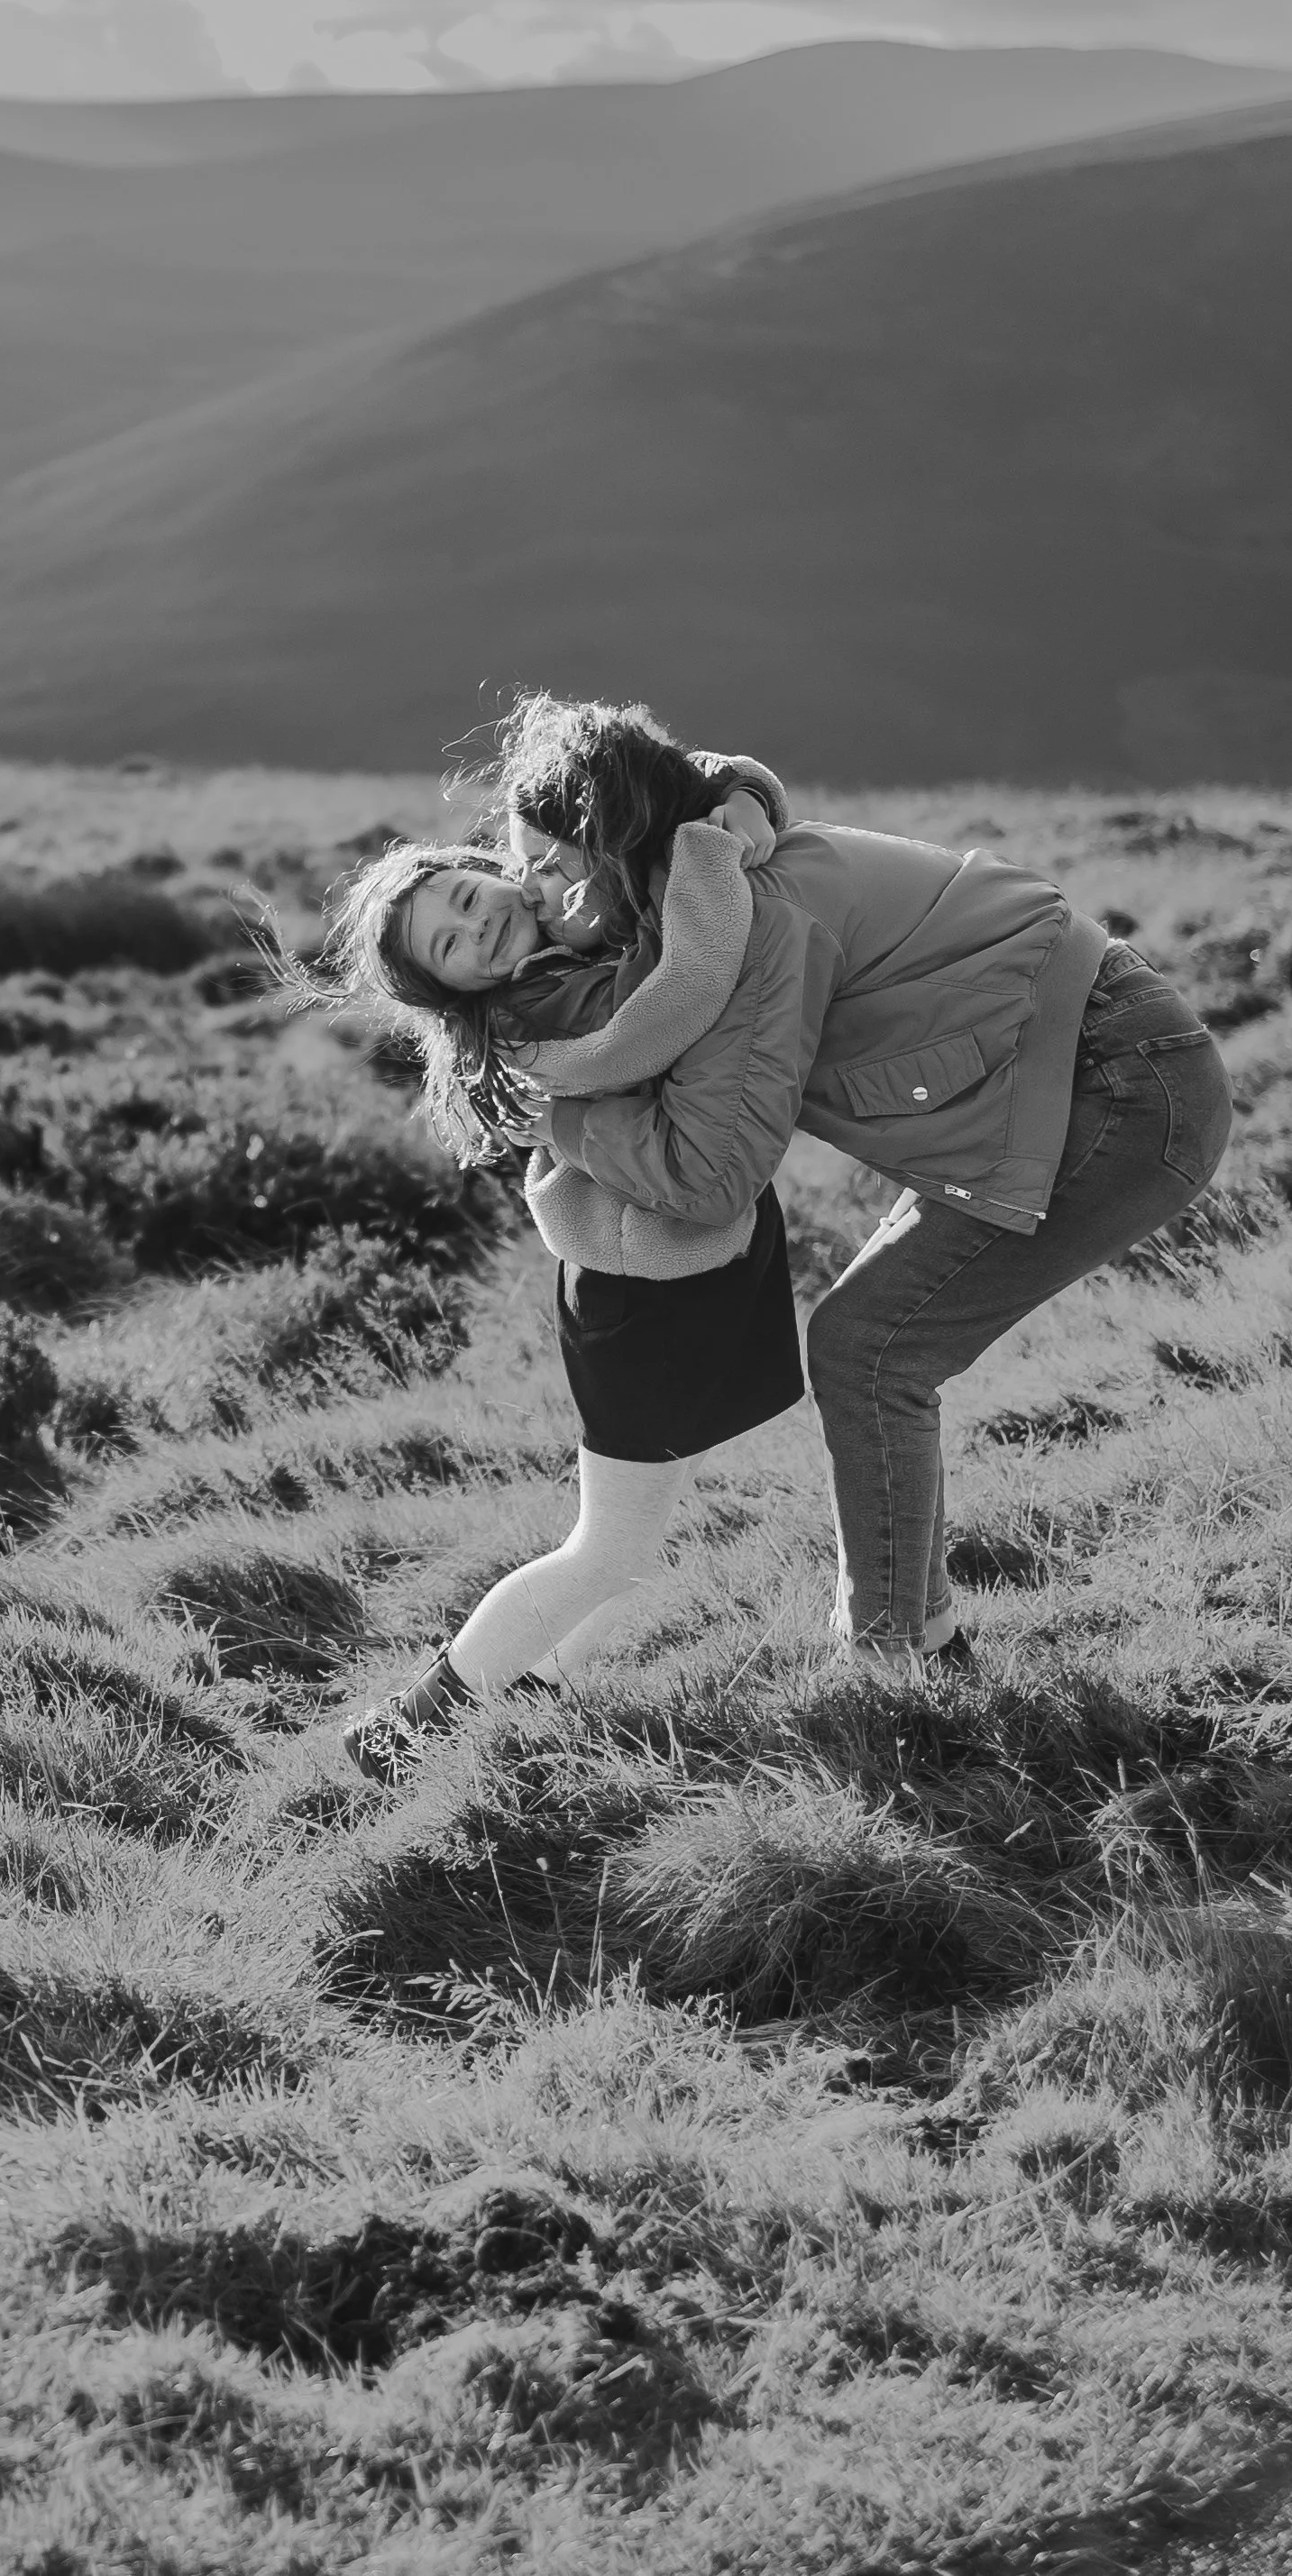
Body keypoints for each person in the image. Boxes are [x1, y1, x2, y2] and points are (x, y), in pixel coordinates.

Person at [480, 694, 1233, 1685]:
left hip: (1119, 1091)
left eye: (552, 867)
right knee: (867, 1348)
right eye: (519, 861)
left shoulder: (741, 922)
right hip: (1060, 1077)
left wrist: (549, 1115)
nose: (528, 892)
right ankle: (921, 1649)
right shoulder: (697, 862)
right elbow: (690, 783)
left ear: (615, 846)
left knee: (871, 1350)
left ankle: (894, 1670)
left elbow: (711, 1176)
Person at [299, 740, 810, 1784]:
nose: (474, 917)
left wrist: (739, 795)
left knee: (635, 1539)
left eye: (459, 891)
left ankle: (536, 1696)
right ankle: (408, 1727)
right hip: (639, 1293)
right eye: (448, 941)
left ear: (480, 864)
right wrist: (708, 855)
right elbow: (679, 993)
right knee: (611, 1547)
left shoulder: (561, 919)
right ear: (447, 988)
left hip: (676, 1270)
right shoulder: (537, 1011)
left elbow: (674, 767)